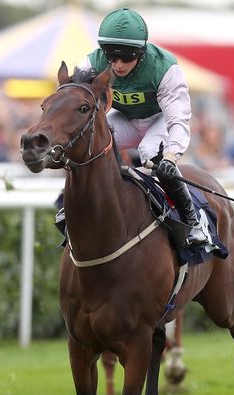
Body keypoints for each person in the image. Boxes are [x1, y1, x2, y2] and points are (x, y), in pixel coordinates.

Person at [78, 8, 208, 246]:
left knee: (150, 151)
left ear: (141, 51)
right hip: (125, 119)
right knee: (90, 137)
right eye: (111, 57)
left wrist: (170, 157)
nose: (117, 65)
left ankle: (192, 221)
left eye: (126, 57)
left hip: (157, 122)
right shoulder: (91, 63)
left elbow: (178, 119)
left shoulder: (165, 68)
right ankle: (75, 205)